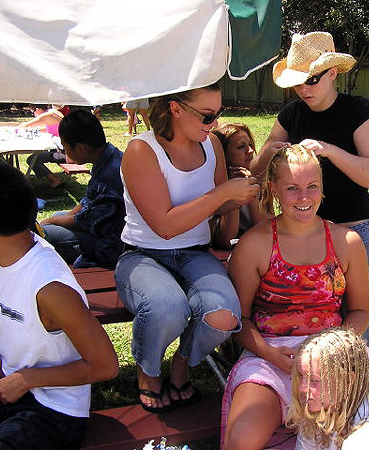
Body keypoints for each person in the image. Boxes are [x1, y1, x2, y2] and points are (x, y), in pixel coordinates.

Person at [222, 145, 369, 450]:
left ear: (322, 188)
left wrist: (333, 355)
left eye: (312, 186)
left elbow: (361, 311)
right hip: (274, 356)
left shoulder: (346, 241)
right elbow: (239, 321)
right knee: (243, 436)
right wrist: (270, 353)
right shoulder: (254, 244)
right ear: (274, 189)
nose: (304, 197)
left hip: (338, 353)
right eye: (292, 188)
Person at [114, 84, 259, 413]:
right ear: (176, 108)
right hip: (143, 254)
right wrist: (223, 194)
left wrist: (246, 190)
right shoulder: (142, 150)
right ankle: (149, 371)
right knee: (167, 306)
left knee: (224, 314)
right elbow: (164, 227)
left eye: (218, 113)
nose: (214, 123)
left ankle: (182, 362)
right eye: (207, 116)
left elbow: (220, 206)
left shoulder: (212, 145)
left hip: (195, 252)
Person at [251, 31, 369, 356]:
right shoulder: (292, 114)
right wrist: (271, 150)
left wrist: (329, 150)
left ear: (332, 73)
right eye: (298, 82)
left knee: (360, 331)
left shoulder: (358, 111)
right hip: (305, 236)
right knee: (314, 324)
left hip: (355, 232)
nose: (303, 89)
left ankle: (368, 386)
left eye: (311, 80)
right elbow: (257, 170)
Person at [0, 163, 118, 449]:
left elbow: (106, 365)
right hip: (5, 384)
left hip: (52, 410)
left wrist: (27, 379)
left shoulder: (51, 289)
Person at [287, 328, 369, 450]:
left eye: (314, 380)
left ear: (347, 380)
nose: (302, 388)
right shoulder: (322, 409)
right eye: (301, 376)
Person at [39, 110, 126, 268]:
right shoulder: (109, 156)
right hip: (100, 225)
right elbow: (89, 199)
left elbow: (88, 221)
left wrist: (52, 221)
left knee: (44, 232)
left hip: (109, 243)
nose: (65, 152)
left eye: (65, 148)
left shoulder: (109, 176)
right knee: (58, 216)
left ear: (80, 148)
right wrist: (64, 217)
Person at [210, 123, 265, 247]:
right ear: (223, 154)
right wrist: (233, 195)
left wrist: (252, 191)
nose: (250, 150)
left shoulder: (258, 181)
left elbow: (264, 229)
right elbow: (225, 241)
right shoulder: (213, 187)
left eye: (250, 144)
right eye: (241, 146)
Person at [19, 104, 72, 188]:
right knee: (35, 158)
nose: (34, 114)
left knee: (32, 159)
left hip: (68, 155)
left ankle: (55, 181)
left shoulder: (49, 115)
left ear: (37, 109)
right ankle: (54, 179)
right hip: (65, 152)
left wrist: (18, 128)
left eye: (33, 111)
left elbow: (26, 125)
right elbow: (48, 129)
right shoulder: (53, 114)